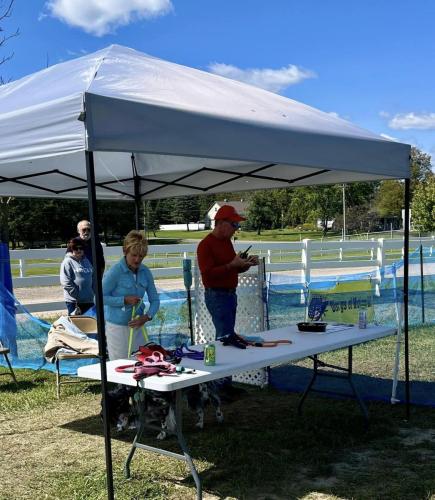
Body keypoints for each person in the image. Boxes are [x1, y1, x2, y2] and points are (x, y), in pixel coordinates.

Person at [197, 205, 258, 348]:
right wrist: (232, 265)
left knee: (228, 335)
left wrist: (246, 264)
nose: (236, 228)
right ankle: (224, 367)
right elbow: (208, 275)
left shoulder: (226, 242)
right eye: (234, 224)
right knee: (225, 337)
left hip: (229, 294)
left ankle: (226, 366)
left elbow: (232, 268)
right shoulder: (205, 245)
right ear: (221, 223)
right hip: (217, 295)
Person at [102, 230, 160, 360]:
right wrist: (123, 300)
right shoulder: (115, 272)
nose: (137, 259)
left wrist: (146, 317)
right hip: (117, 328)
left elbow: (155, 300)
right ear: (125, 251)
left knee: (141, 366)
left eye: (141, 256)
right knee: (120, 367)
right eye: (134, 255)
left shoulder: (146, 272)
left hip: (138, 326)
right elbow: (99, 298)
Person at [60, 237, 95, 315]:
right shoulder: (67, 262)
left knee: (89, 323)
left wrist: (93, 292)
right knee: (76, 324)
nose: (79, 250)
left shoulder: (87, 261)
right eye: (76, 248)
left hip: (89, 300)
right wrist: (77, 295)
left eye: (81, 248)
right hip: (74, 301)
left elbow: (92, 277)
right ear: (71, 249)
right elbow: (65, 282)